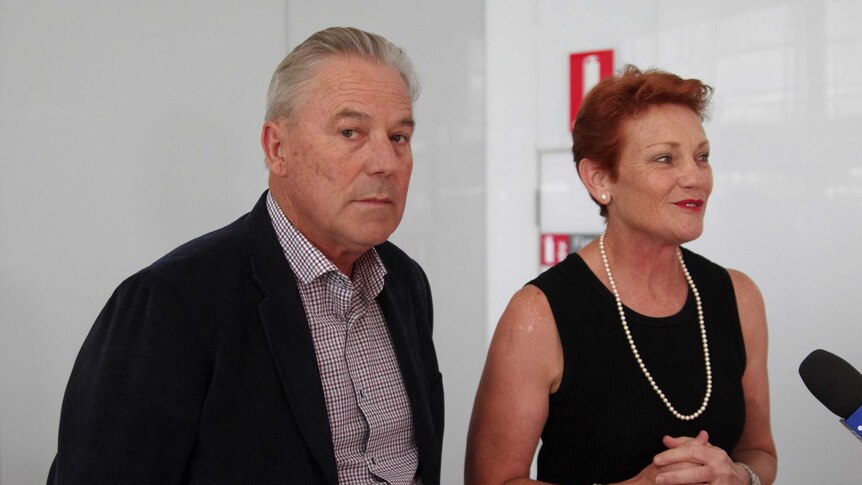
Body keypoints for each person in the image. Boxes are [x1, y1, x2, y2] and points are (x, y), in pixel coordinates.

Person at [48, 27, 443, 485]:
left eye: (399, 137)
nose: (386, 162)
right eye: (350, 131)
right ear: (277, 149)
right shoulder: (171, 301)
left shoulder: (405, 282)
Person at [465, 66, 776, 485]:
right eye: (665, 158)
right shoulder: (540, 314)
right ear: (599, 179)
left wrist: (741, 477)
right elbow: (492, 481)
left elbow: (759, 451)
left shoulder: (738, 297)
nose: (695, 176)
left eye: (702, 156)